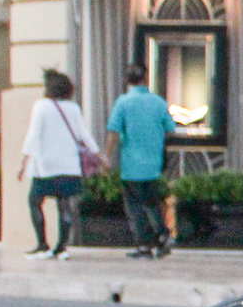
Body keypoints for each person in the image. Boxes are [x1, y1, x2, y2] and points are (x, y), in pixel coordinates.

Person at [18, 69, 95, 259]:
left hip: (45, 165)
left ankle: (42, 244)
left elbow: (33, 134)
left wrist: (23, 160)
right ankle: (62, 246)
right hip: (69, 164)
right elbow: (83, 134)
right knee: (65, 203)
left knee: (35, 201)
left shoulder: (41, 106)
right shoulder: (73, 108)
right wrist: (98, 154)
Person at [107, 61, 173, 258]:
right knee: (153, 202)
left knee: (135, 205)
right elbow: (170, 128)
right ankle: (162, 235)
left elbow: (113, 132)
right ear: (146, 78)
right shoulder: (159, 102)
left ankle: (144, 244)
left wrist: (107, 157)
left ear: (127, 80)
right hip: (153, 163)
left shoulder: (123, 102)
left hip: (131, 164)